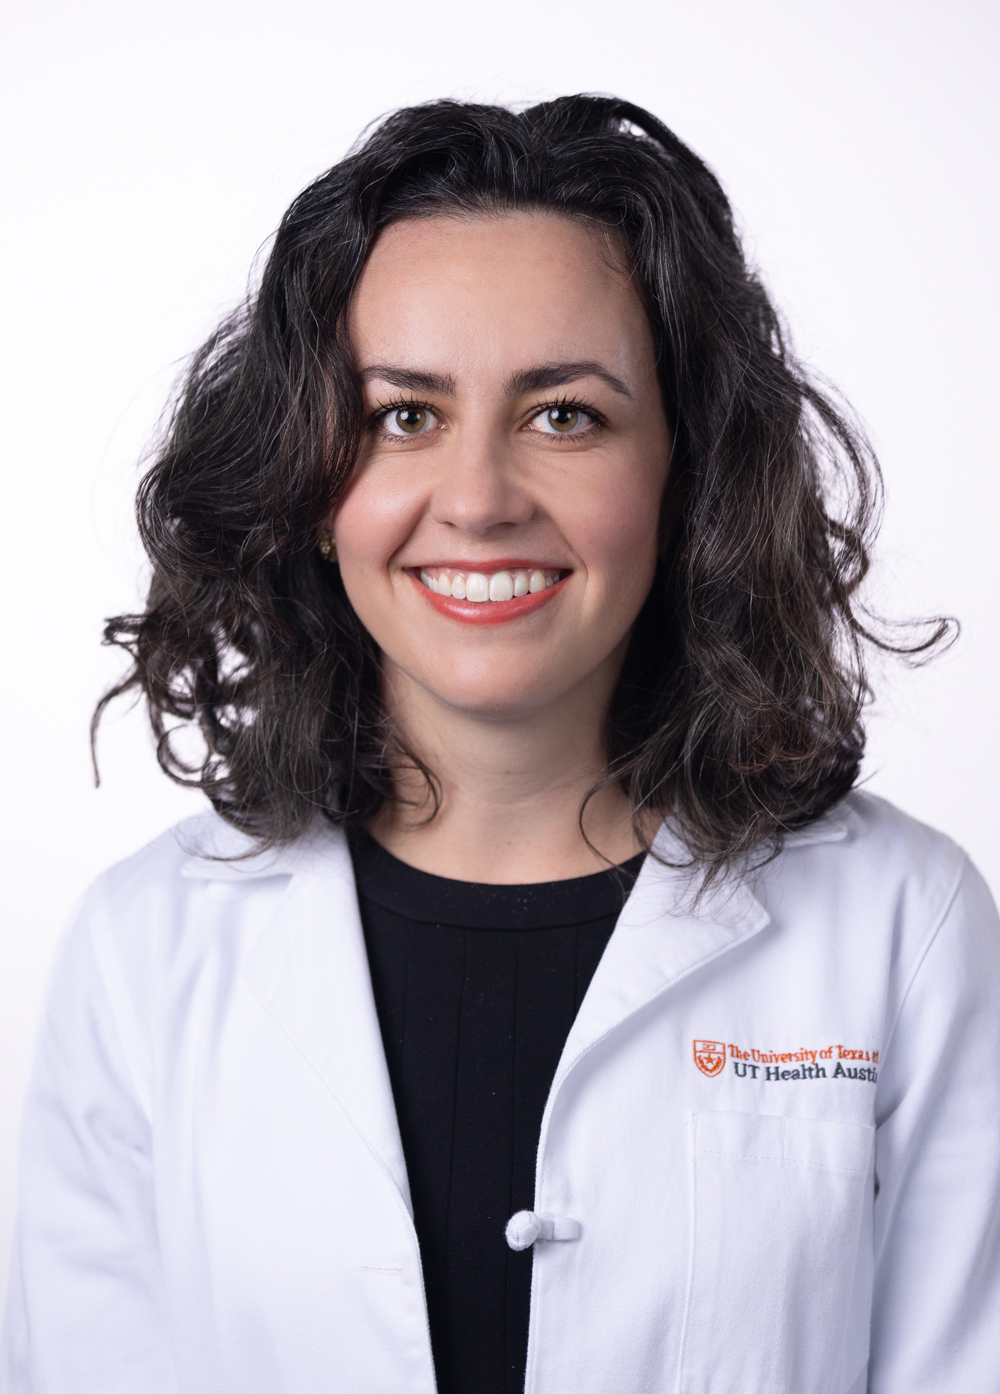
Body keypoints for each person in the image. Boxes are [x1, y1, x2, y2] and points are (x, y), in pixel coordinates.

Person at [2, 95, 998, 1394]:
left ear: (685, 471)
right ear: (310, 481)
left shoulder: (900, 926)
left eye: (564, 415)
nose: (476, 500)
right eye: (403, 415)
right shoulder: (143, 954)